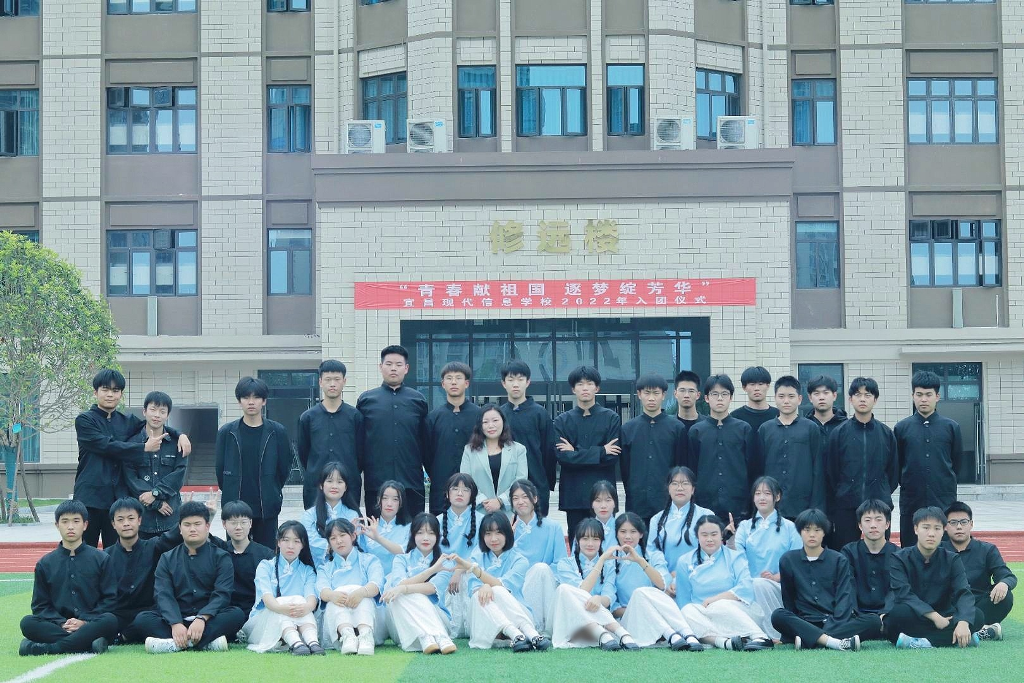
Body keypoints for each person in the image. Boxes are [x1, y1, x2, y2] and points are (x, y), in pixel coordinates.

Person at [75, 369, 189, 547]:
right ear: (95, 392)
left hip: (118, 500)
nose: (110, 394)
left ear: (121, 394)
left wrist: (180, 434)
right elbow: (106, 446)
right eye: (105, 389)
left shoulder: (126, 421)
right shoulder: (85, 420)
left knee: (117, 553)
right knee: (84, 551)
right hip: (90, 497)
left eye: (115, 390)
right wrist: (143, 448)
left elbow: (153, 422)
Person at [137, 501, 247, 653]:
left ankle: (175, 644)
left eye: (197, 524)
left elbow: (222, 593)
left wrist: (202, 617)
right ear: (180, 528)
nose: (192, 529)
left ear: (207, 526)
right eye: (187, 525)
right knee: (142, 619)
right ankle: (206, 642)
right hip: (178, 617)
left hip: (209, 619)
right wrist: (175, 623)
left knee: (236, 615)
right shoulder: (167, 558)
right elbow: (163, 594)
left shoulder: (221, 557)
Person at [771, 509, 882, 651]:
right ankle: (834, 642)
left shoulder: (838, 560)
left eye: (817, 530)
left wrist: (833, 624)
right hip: (805, 621)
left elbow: (844, 597)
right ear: (800, 532)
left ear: (824, 532)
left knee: (873, 621)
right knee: (778, 615)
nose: (812, 534)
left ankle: (810, 640)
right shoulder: (788, 560)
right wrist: (795, 625)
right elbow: (789, 600)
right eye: (807, 530)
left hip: (834, 622)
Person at [19, 501, 119, 656]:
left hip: (91, 623)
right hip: (58, 625)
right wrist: (62, 623)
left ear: (85, 525)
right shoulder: (45, 564)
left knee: (110, 620)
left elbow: (110, 600)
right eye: (65, 521)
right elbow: (40, 606)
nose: (70, 527)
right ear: (57, 525)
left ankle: (50, 648)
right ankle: (88, 643)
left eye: (76, 521)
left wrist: (84, 621)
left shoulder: (101, 559)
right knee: (27, 622)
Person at [886, 506, 986, 649]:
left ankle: (922, 642)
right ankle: (955, 638)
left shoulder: (952, 559)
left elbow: (963, 591)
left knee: (977, 615)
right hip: (916, 614)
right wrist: (934, 616)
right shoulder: (899, 558)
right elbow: (904, 594)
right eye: (926, 528)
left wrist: (963, 622)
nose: (931, 534)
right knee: (896, 615)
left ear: (943, 530)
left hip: (945, 614)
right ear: (916, 529)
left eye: (937, 528)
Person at [449, 512, 551, 651]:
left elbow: (502, 586)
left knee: (498, 590)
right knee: (479, 595)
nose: (493, 539)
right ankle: (523, 635)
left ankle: (525, 633)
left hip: (517, 614)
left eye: (499, 533)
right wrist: (484, 585)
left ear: (507, 534)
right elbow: (474, 590)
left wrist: (481, 577)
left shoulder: (520, 560)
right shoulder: (477, 557)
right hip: (485, 615)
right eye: (488, 533)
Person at [673, 515, 772, 651]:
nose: (709, 539)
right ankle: (723, 642)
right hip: (703, 616)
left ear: (721, 535)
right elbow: (683, 600)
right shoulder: (685, 561)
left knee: (720, 604)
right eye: (704, 535)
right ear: (697, 537)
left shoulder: (735, 557)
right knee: (686, 610)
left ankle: (759, 636)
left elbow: (746, 588)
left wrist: (715, 599)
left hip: (738, 612)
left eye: (714, 534)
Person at [216, 376, 292, 548]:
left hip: (266, 507)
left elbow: (284, 468)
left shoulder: (277, 432)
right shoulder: (227, 432)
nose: (251, 402)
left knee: (266, 554)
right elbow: (220, 470)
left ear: (264, 401)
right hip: (235, 508)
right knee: (235, 553)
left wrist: (272, 488)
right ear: (239, 401)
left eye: (256, 397)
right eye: (246, 397)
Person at [825, 377, 898, 550]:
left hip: (879, 506)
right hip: (846, 506)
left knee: (880, 554)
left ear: (875, 399)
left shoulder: (886, 434)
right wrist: (844, 491)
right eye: (858, 395)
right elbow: (832, 472)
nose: (863, 399)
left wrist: (880, 490)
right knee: (845, 554)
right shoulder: (839, 433)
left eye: (868, 395)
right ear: (850, 399)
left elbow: (893, 472)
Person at [612, 512, 703, 651]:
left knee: (645, 593)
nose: (628, 536)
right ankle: (680, 634)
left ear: (641, 534)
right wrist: (639, 608)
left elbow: (662, 584)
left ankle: (682, 635)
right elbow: (611, 602)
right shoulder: (610, 560)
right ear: (617, 534)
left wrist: (640, 561)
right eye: (623, 532)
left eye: (633, 532)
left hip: (657, 613)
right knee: (640, 593)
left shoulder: (654, 555)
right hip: (630, 618)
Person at [357, 345, 430, 516]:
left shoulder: (418, 400)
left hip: (411, 482)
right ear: (380, 367)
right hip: (376, 483)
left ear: (406, 368)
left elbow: (425, 441)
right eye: (389, 364)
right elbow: (359, 442)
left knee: (413, 530)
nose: (393, 368)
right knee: (377, 530)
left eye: (398, 364)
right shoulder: (366, 400)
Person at [894, 371, 964, 548]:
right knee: (910, 548)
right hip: (912, 498)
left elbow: (956, 464)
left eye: (928, 394)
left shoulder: (951, 427)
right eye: (919, 394)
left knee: (944, 549)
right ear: (912, 396)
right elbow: (898, 464)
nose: (923, 399)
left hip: (943, 498)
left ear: (937, 396)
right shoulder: (902, 428)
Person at [105, 497, 189, 642]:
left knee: (145, 620)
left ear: (139, 520)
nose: (126, 523)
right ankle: (128, 635)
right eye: (120, 519)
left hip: (148, 612)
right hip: (118, 614)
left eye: (131, 518)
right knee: (105, 620)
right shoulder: (105, 556)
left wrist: (185, 515)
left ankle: (123, 636)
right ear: (113, 524)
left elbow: (173, 537)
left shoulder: (153, 546)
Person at [550, 519, 639, 650]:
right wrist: (601, 560)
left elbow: (608, 597)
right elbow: (582, 591)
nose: (590, 544)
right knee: (565, 589)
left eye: (595, 539)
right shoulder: (565, 564)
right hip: (572, 621)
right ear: (577, 541)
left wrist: (598, 599)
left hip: (600, 618)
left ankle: (615, 634)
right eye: (585, 539)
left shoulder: (609, 566)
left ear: (601, 541)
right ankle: (616, 633)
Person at [554, 366, 622, 535]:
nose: (585, 388)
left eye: (589, 383)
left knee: (606, 541)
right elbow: (563, 458)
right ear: (573, 389)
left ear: (597, 388)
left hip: (604, 496)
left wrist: (575, 451)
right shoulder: (562, 421)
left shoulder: (611, 418)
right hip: (574, 496)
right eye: (580, 384)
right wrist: (601, 451)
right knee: (576, 542)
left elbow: (612, 457)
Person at [733, 476, 801, 641]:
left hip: (779, 587)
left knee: (760, 584)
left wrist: (777, 577)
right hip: (748, 585)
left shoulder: (790, 527)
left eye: (767, 493)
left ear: (777, 497)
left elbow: (797, 562)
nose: (761, 498)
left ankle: (773, 635)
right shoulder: (744, 527)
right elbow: (737, 559)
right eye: (758, 493)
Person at [242, 521, 324, 655]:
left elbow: (311, 600)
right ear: (279, 542)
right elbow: (269, 601)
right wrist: (284, 609)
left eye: (296, 541)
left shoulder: (307, 571)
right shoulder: (265, 566)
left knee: (301, 602)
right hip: (263, 623)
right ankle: (296, 643)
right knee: (285, 602)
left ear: (303, 545)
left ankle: (312, 642)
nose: (290, 546)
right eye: (286, 540)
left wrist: (304, 608)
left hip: (299, 621)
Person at [380, 513, 457, 654]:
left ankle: (437, 636)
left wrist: (404, 588)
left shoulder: (445, 562)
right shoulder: (401, 559)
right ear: (413, 534)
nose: (425, 538)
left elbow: (430, 588)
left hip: (438, 617)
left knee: (405, 593)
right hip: (404, 621)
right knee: (399, 596)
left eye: (431, 533)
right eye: (420, 533)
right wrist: (432, 570)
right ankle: (427, 637)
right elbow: (399, 584)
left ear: (438, 536)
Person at [620, 373, 688, 527]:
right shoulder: (628, 429)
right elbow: (625, 469)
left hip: (667, 500)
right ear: (639, 395)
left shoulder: (677, 428)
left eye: (656, 393)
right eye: (647, 393)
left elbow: (681, 466)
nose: (651, 398)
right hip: (637, 502)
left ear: (663, 395)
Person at [753, 376, 825, 520]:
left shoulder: (811, 428)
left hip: (802, 507)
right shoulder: (765, 429)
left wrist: (816, 509)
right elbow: (758, 470)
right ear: (775, 398)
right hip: (771, 506)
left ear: (799, 399)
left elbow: (818, 470)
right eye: (781, 396)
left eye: (791, 396)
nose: (786, 401)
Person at [687, 374, 755, 525]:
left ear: (731, 398)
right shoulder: (696, 431)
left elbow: (752, 469)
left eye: (724, 394)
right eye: (715, 394)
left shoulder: (743, 429)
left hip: (738, 505)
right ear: (706, 398)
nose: (720, 398)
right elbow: (691, 470)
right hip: (704, 504)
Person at [297, 359, 364, 509]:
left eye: (337, 379)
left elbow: (361, 454)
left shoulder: (355, 416)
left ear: (344, 381)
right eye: (328, 379)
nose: (332, 384)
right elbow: (304, 453)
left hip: (348, 485)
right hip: (316, 485)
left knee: (348, 523)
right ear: (320, 382)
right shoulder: (307, 417)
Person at [942, 501, 1015, 636]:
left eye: (963, 522)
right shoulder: (938, 551)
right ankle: (982, 631)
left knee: (1006, 596)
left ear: (971, 524)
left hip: (979, 605)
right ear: (945, 526)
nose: (959, 526)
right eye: (953, 522)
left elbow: (1006, 575)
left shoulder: (987, 549)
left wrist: (1004, 583)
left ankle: (968, 628)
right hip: (949, 605)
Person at [125, 391, 188, 540]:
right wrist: (156, 503)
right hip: (141, 519)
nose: (157, 415)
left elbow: (179, 474)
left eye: (162, 411)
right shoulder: (132, 444)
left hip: (171, 518)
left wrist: (155, 493)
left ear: (168, 415)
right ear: (144, 411)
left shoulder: (178, 443)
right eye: (153, 409)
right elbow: (130, 478)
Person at [318, 519, 385, 655]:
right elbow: (322, 590)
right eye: (333, 538)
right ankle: (347, 635)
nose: (339, 541)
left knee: (364, 595)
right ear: (329, 542)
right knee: (335, 596)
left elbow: (376, 584)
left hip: (370, 618)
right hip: (338, 620)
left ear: (353, 536)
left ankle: (366, 635)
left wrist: (361, 592)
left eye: (342, 535)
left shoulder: (370, 560)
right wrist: (333, 595)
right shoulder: (325, 567)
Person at [498, 360, 557, 515]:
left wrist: (546, 483)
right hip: (504, 487)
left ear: (528, 382)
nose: (515, 384)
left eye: (520, 379)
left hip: (536, 484)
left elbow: (549, 452)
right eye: (511, 380)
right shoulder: (498, 415)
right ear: (503, 383)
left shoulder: (540, 414)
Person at [425, 362, 482, 515]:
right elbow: (427, 454)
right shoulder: (433, 417)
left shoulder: (480, 415)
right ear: (443, 384)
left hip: (475, 485)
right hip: (441, 486)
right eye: (449, 378)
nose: (454, 382)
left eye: (458, 378)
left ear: (467, 383)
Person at [512, 478, 567, 635]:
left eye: (525, 497)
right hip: (517, 584)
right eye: (515, 498)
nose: (520, 502)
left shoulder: (553, 527)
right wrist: (508, 539)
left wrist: (540, 575)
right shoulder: (506, 529)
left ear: (535, 499)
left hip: (545, 584)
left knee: (541, 569)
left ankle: (542, 626)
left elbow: (561, 563)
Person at [460, 403, 528, 516]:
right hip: (479, 512)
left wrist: (500, 501)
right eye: (485, 422)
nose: (491, 425)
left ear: (503, 422)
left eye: (495, 420)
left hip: (510, 513)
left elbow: (521, 480)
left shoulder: (518, 449)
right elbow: (466, 480)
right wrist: (484, 501)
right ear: (480, 425)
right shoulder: (469, 450)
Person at [840, 499, 898, 621]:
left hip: (889, 614)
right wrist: (854, 613)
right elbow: (847, 586)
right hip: (857, 615)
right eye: (867, 520)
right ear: (860, 525)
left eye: (878, 519)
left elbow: (897, 588)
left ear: (887, 524)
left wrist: (886, 613)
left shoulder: (898, 554)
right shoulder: (849, 552)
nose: (873, 525)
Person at [649, 466, 713, 574]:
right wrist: (665, 576)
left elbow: (711, 551)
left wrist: (686, 575)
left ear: (693, 489)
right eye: (674, 483)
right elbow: (653, 552)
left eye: (685, 483)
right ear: (668, 489)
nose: (680, 488)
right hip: (666, 579)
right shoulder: (657, 519)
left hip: (698, 577)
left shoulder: (706, 515)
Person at [217, 501, 275, 614]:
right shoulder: (220, 551)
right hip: (227, 612)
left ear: (250, 523)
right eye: (233, 523)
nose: (238, 527)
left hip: (257, 611)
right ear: (224, 524)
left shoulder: (265, 555)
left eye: (243, 522)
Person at [300, 461, 360, 566]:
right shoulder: (309, 516)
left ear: (345, 487)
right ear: (321, 485)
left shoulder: (353, 515)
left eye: (340, 482)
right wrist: (345, 540)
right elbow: (311, 543)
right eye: (329, 481)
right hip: (318, 569)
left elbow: (356, 547)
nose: (334, 486)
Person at [360, 480, 412, 576]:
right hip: (371, 579)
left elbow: (403, 551)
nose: (389, 504)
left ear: (401, 503)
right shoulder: (368, 530)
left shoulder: (409, 528)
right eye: (385, 498)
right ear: (378, 500)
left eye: (395, 499)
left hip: (398, 579)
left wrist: (378, 538)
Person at [731, 366, 779, 434]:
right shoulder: (735, 417)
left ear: (768, 386)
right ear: (744, 387)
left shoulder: (778, 415)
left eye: (760, 384)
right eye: (752, 384)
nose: (757, 388)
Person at [590, 480, 618, 548]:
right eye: (598, 501)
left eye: (608, 500)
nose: (603, 506)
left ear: (615, 503)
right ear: (592, 504)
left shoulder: (621, 528)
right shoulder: (584, 529)